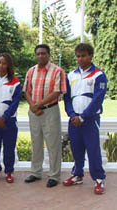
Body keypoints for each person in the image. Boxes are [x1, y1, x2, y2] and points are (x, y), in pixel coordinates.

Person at [63, 43, 107, 194]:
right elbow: (67, 98)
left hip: (90, 120)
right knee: (76, 149)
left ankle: (99, 179)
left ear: (90, 56)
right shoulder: (71, 75)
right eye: (78, 56)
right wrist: (72, 115)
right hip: (74, 120)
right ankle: (77, 175)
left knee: (93, 149)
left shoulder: (98, 75)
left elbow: (97, 99)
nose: (81, 59)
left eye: (84, 56)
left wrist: (83, 117)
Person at [23, 44, 66, 188]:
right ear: (35, 55)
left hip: (50, 111)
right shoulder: (31, 71)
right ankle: (36, 172)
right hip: (34, 112)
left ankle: (54, 175)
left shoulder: (57, 71)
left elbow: (57, 91)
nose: (41, 56)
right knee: (36, 143)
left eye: (43, 53)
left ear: (48, 55)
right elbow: (26, 91)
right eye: (38, 54)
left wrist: (39, 104)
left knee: (53, 144)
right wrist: (33, 106)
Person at [0, 53, 21, 183]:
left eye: (4, 63)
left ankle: (9, 171)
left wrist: (5, 117)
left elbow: (15, 102)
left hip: (10, 121)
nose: (1, 65)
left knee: (9, 147)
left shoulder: (15, 81)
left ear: (9, 65)